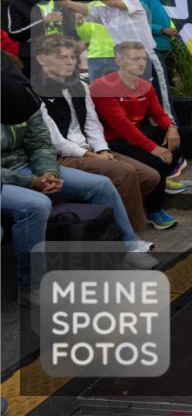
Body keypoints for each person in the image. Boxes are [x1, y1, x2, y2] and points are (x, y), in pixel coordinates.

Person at [2, 105, 157, 305]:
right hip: (6, 179)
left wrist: (49, 173)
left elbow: (41, 144)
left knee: (100, 185)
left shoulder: (19, 99)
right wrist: (31, 182)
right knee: (36, 205)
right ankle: (31, 287)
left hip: (29, 167)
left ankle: (126, 248)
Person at [32, 34, 161, 232]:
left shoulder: (80, 85)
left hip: (89, 148)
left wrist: (101, 149)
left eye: (73, 57)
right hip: (60, 156)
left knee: (150, 176)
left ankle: (106, 222)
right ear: (41, 59)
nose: (70, 61)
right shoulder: (34, 91)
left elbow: (92, 123)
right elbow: (52, 139)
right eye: (62, 57)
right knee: (125, 173)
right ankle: (132, 235)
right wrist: (87, 154)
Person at [90, 41, 192, 229]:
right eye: (134, 59)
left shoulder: (145, 85)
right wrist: (153, 148)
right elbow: (122, 126)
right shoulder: (102, 87)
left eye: (143, 59)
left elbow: (159, 114)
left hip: (137, 134)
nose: (140, 63)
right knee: (157, 161)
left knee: (186, 133)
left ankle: (162, 179)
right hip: (114, 140)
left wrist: (171, 128)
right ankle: (155, 210)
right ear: (119, 61)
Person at [45, 0, 172, 115]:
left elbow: (112, 1)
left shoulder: (130, 1)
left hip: (146, 59)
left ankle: (172, 132)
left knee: (161, 105)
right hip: (124, 65)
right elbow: (69, 4)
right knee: (135, 107)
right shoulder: (101, 10)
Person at [3, 0, 72, 74]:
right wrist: (42, 22)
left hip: (60, 57)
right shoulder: (16, 5)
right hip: (32, 58)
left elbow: (71, 32)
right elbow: (14, 34)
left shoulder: (59, 4)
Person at [140, 0, 178, 97]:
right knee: (164, 82)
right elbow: (139, 23)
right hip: (159, 47)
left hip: (181, 48)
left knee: (183, 82)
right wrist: (161, 29)